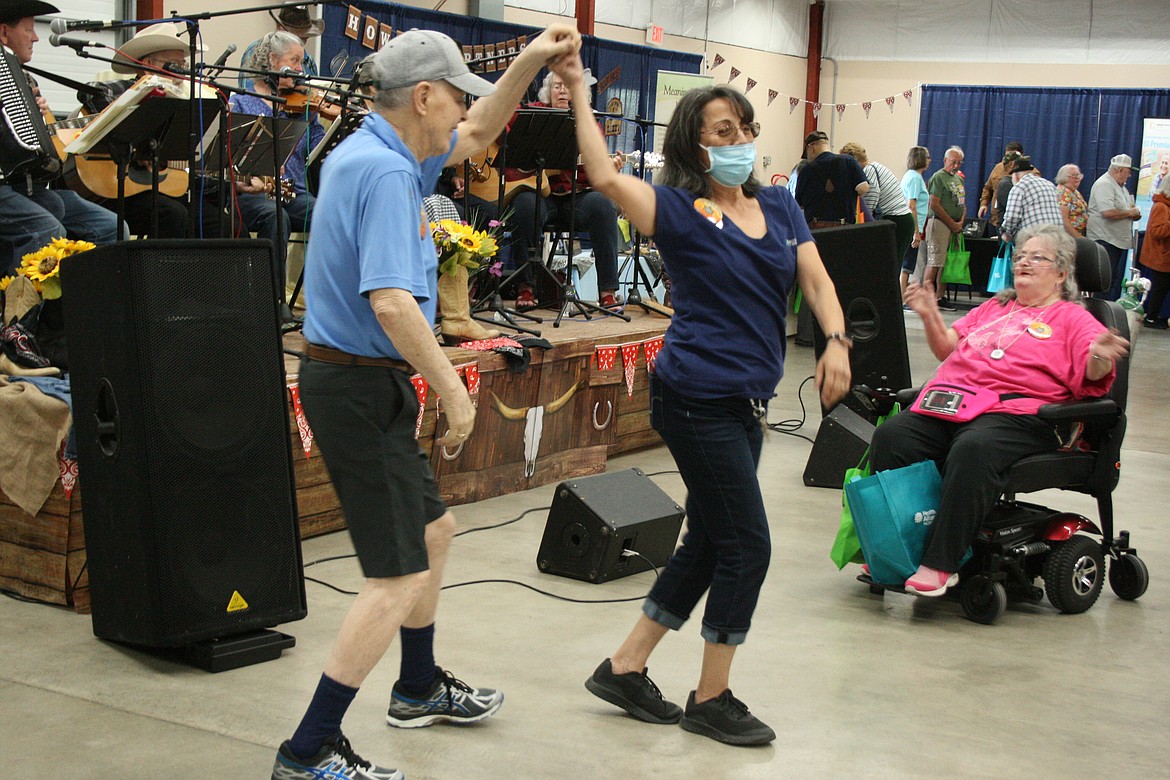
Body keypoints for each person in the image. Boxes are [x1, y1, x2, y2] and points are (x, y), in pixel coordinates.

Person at [273, 25, 580, 780]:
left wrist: (531, 60)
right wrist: (453, 387)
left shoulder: (390, 152)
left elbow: (478, 132)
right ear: (423, 95)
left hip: (367, 381)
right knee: (396, 576)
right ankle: (305, 751)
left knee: (433, 533)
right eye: (452, 97)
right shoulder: (381, 172)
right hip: (354, 383)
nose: (459, 115)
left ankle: (415, 687)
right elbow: (390, 303)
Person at [557, 54, 851, 744]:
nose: (739, 137)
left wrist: (836, 340)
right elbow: (601, 177)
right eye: (723, 129)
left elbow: (816, 280)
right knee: (747, 545)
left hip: (747, 406)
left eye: (744, 125)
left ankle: (625, 667)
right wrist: (576, 88)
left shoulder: (780, 205)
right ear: (696, 144)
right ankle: (711, 697)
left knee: (712, 540)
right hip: (694, 399)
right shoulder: (681, 212)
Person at [873, 224, 1128, 596]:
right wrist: (930, 315)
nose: (1024, 262)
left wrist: (1100, 357)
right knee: (892, 437)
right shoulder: (996, 306)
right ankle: (896, 550)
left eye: (1037, 257)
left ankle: (941, 563)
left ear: (1061, 273)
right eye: (1021, 256)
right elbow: (948, 349)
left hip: (1022, 414)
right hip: (958, 403)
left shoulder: (1075, 318)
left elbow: (1093, 373)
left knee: (973, 448)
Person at [0, 0, 122, 274]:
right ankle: (22, 314)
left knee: (111, 227)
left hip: (23, 186)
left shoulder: (26, 78)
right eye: (29, 29)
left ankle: (90, 310)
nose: (36, 37)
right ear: (4, 33)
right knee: (45, 227)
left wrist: (38, 117)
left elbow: (41, 149)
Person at [74, 22, 209, 240]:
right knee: (173, 214)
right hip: (118, 188)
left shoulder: (184, 100)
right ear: (147, 65)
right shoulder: (120, 90)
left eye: (182, 66)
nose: (180, 73)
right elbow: (91, 93)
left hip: (159, 188)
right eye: (173, 65)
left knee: (213, 218)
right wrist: (138, 144)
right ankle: (157, 273)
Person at [503, 69, 623, 311]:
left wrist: (609, 169)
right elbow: (505, 136)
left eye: (568, 86)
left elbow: (596, 173)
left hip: (575, 198)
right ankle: (526, 288)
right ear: (549, 91)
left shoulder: (587, 122)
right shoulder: (531, 113)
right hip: (539, 195)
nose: (562, 91)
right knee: (523, 205)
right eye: (557, 86)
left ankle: (607, 292)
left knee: (602, 204)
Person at [229, 30, 323, 316]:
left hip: (291, 191)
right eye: (294, 61)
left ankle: (327, 301)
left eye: (301, 62)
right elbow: (230, 157)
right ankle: (273, 303)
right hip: (252, 192)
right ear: (272, 60)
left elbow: (317, 144)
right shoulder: (241, 101)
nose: (299, 69)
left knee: (330, 214)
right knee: (275, 217)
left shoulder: (300, 103)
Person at [840, 141, 915, 268]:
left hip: (897, 220)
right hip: (901, 219)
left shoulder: (868, 171)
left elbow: (870, 202)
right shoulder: (874, 166)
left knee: (890, 267)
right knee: (891, 265)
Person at [1086, 154, 1141, 301]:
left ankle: (1109, 313)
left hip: (1116, 240)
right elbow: (1108, 212)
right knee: (1104, 282)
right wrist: (1131, 213)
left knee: (1112, 281)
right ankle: (1099, 316)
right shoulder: (1104, 184)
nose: (1129, 175)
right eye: (1128, 171)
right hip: (1105, 240)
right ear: (1120, 170)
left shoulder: (1120, 187)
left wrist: (1134, 213)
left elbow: (1128, 208)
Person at [794, 129, 869, 227]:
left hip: (816, 226)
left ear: (810, 148)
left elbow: (799, 203)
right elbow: (863, 188)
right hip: (844, 226)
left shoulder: (806, 169)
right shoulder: (848, 161)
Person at [238, 4, 320, 90]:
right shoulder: (256, 50)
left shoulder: (309, 60)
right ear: (280, 29)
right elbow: (250, 92)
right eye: (298, 36)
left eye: (305, 38)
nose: (302, 42)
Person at [925, 145, 966, 311]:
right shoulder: (938, 177)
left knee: (946, 263)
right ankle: (927, 299)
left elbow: (963, 204)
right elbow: (934, 203)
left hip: (954, 225)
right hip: (940, 223)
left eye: (959, 163)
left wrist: (960, 223)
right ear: (945, 161)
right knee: (935, 261)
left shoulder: (959, 179)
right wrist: (951, 223)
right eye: (953, 162)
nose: (956, 166)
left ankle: (940, 297)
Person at [999, 157, 1062, 243]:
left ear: (1016, 175)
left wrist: (1005, 232)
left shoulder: (1019, 187)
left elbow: (1012, 217)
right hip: (1058, 236)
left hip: (1036, 238)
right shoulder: (1049, 184)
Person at [1137, 175, 1170, 329]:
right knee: (1159, 288)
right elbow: (1156, 232)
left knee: (1161, 288)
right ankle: (1151, 318)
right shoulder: (1161, 206)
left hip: (1164, 255)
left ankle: (1154, 316)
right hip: (1160, 255)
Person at [900, 145, 931, 297]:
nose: (930, 160)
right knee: (907, 266)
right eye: (927, 157)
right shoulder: (914, 178)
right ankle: (903, 299)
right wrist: (916, 232)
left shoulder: (913, 176)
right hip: (913, 225)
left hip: (915, 224)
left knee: (908, 264)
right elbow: (912, 205)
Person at [978, 141, 1024, 226]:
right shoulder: (998, 168)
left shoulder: (1029, 172)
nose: (1010, 160)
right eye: (1008, 156)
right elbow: (987, 188)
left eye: (1013, 157)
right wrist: (983, 204)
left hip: (1017, 221)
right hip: (996, 219)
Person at [1055, 164, 1088, 237]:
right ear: (1063, 177)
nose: (1077, 178)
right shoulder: (1062, 193)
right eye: (1073, 175)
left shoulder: (1074, 191)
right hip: (1069, 237)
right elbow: (1064, 220)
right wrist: (1079, 237)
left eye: (1078, 175)